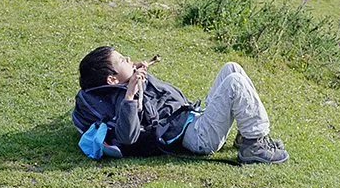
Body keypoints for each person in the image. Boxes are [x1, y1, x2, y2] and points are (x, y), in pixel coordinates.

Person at [71, 46, 289, 165]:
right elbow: (127, 137)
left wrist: (138, 78)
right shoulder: (124, 97)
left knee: (231, 68)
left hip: (193, 119)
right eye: (122, 60)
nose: (129, 58)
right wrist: (131, 93)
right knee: (235, 83)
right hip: (197, 137)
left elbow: (169, 99)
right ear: (111, 79)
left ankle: (245, 136)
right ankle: (254, 145)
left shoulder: (128, 85)